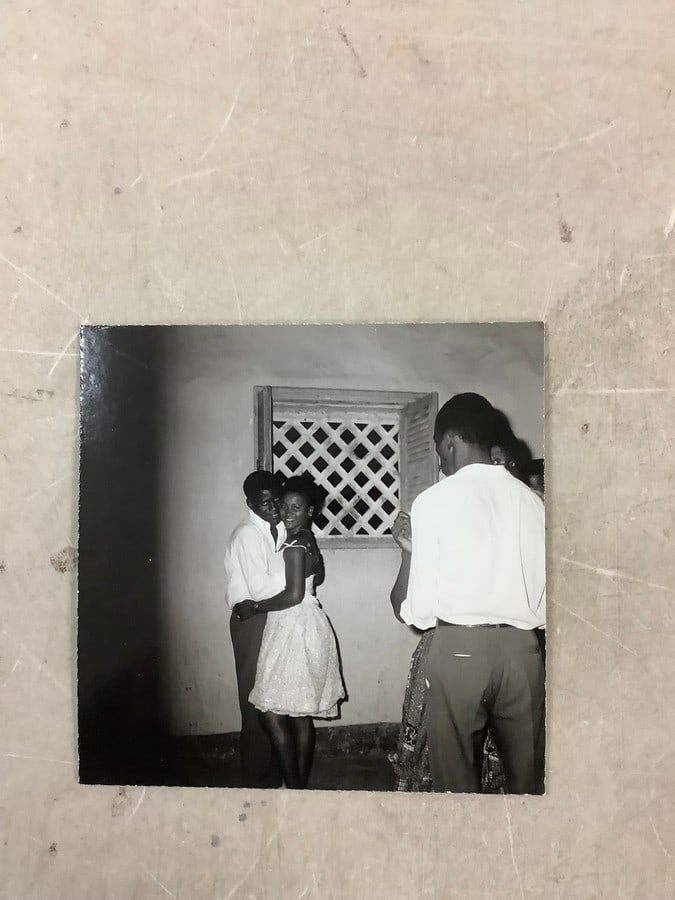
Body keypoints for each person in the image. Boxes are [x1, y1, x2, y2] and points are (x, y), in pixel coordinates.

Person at [389, 393, 546, 794]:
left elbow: (419, 613)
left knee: (457, 783)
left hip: (460, 649)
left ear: (448, 443)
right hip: (522, 653)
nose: (441, 461)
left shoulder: (433, 502)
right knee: (527, 780)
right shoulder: (532, 502)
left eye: (440, 451)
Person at [235, 474, 345, 788]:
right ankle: (298, 786)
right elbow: (318, 578)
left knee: (270, 713)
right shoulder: (305, 538)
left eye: (296, 507)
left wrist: (254, 607)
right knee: (299, 714)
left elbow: (293, 595)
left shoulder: (295, 543)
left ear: (311, 510)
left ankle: (295, 786)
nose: (287, 512)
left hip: (293, 625)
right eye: (284, 505)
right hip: (304, 622)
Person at [224, 470, 291, 788]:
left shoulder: (277, 530)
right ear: (250, 503)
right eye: (265, 503)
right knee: (255, 703)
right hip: (251, 621)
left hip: (271, 616)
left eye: (277, 499)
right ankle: (254, 780)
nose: (274, 507)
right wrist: (297, 574)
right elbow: (261, 588)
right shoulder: (247, 534)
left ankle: (272, 774)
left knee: (273, 700)